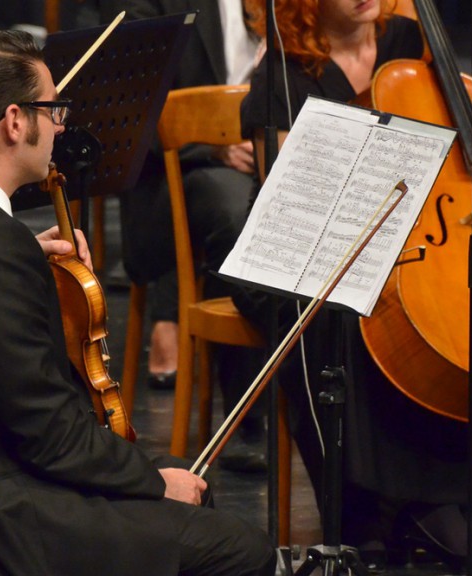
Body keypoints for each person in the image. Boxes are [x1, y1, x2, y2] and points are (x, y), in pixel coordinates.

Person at [0, 30, 277, 576]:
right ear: (14, 122)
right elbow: (48, 436)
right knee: (242, 549)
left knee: (180, 489)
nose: (62, 125)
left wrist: (20, 255)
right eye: (53, 109)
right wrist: (152, 481)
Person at [237, 0, 472, 571]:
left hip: (417, 233)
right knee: (348, 311)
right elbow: (291, 197)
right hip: (304, 247)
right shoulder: (283, 77)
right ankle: (366, 511)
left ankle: (442, 498)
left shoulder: (406, 41)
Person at [109, 0, 267, 470]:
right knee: (241, 215)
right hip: (176, 171)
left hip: (270, 154)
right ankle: (246, 417)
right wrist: (214, 144)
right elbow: (129, 99)